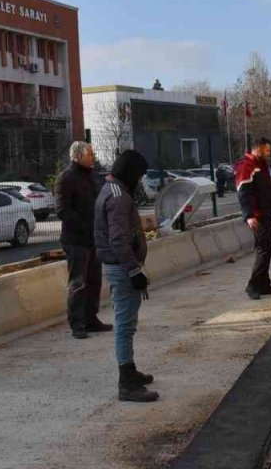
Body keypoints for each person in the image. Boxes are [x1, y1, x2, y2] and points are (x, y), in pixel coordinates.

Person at [95, 150, 158, 402]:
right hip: (122, 268)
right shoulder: (119, 197)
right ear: (131, 173)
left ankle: (130, 371)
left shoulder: (110, 190)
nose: (140, 181)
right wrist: (134, 270)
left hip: (120, 266)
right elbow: (118, 238)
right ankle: (126, 383)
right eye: (140, 176)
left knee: (127, 323)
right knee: (124, 325)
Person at [57, 141, 111, 339]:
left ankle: (91, 319)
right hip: (76, 239)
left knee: (94, 280)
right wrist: (84, 226)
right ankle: (77, 324)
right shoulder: (66, 178)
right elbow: (62, 210)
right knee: (78, 283)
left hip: (93, 238)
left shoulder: (92, 177)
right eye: (90, 154)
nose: (93, 157)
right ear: (78, 156)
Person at [236, 137, 271, 299]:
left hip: (266, 212)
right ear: (258, 149)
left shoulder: (260, 165)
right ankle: (253, 285)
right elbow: (243, 193)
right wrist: (249, 215)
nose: (269, 154)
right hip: (257, 215)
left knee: (267, 248)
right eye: (267, 150)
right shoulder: (247, 166)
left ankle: (264, 283)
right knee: (263, 249)